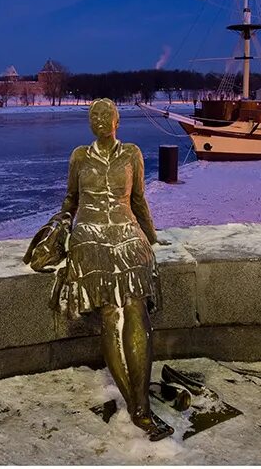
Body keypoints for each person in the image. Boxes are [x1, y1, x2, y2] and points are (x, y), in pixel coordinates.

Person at [57, 98, 173, 441]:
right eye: (94, 114)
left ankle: (139, 404)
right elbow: (71, 199)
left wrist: (151, 236)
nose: (101, 119)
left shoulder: (132, 154)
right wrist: (63, 220)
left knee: (135, 308)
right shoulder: (79, 156)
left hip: (126, 232)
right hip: (90, 236)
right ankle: (139, 408)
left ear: (117, 120)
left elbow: (138, 200)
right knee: (110, 312)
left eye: (107, 114)